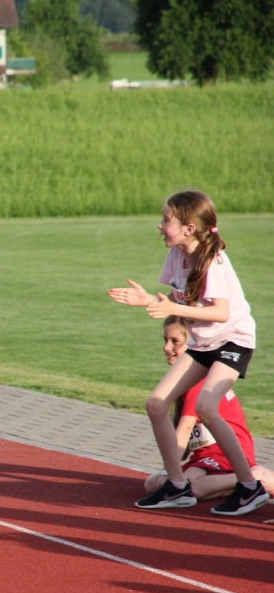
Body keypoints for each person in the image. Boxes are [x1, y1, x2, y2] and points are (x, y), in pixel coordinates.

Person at [109, 190, 267, 516]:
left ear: (188, 228)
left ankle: (250, 486)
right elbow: (178, 298)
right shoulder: (176, 255)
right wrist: (149, 301)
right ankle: (177, 486)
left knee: (207, 406)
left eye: (167, 220)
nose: (160, 225)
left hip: (233, 341)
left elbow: (220, 313)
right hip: (202, 343)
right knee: (156, 403)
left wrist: (172, 308)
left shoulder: (214, 262)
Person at [139, 316, 274, 506]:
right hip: (205, 454)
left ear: (192, 344)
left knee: (191, 488)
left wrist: (171, 473)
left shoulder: (198, 380)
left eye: (175, 341)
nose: (167, 347)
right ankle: (235, 484)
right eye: (165, 340)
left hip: (224, 452)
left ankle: (258, 476)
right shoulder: (186, 380)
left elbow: (185, 429)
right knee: (152, 483)